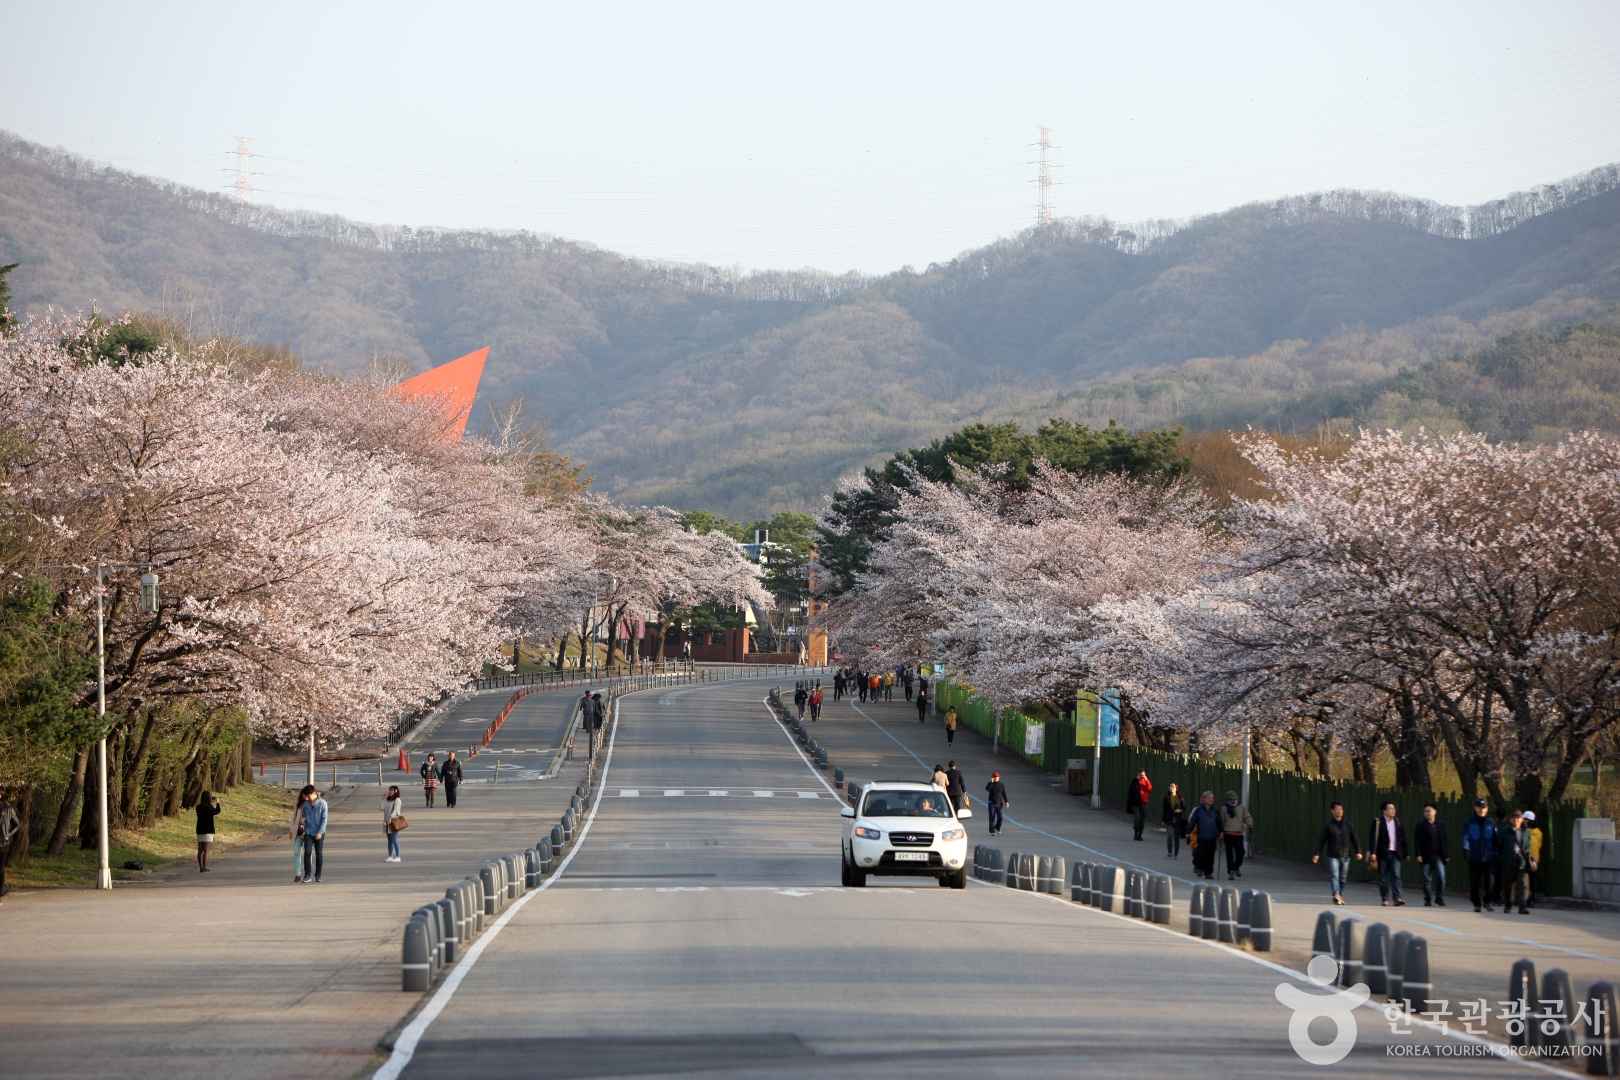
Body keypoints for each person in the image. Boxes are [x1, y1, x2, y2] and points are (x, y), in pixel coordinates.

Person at [1312, 801, 1362, 905]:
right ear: (1332, 811)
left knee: (1343, 878)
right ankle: (1336, 894)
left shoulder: (1348, 824)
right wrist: (1317, 854)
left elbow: (1354, 838)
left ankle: (1339, 894)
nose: (1339, 811)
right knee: (1335, 875)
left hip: (1346, 855)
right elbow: (1321, 840)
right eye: (1337, 809)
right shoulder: (1329, 826)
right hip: (1332, 855)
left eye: (1341, 809)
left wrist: (1358, 851)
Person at [1460, 797, 1498, 912]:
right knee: (1475, 883)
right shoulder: (1469, 822)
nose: (1482, 810)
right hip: (1474, 856)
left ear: (1487, 809)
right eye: (1479, 807)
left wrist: (1496, 852)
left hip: (1488, 857)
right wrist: (1466, 850)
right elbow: (1465, 837)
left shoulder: (1491, 822)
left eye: (1484, 807)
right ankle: (1476, 903)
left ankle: (1488, 902)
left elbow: (1495, 839)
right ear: (1475, 808)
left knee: (1489, 882)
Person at [1367, 800, 1407, 906]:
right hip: (1383, 854)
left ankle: (1397, 898)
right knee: (1383, 877)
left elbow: (1402, 839)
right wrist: (1373, 853)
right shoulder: (1378, 822)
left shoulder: (1398, 822)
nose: (1393, 810)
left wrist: (1405, 853)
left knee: (1396, 876)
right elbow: (1372, 838)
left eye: (1394, 808)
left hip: (1395, 853)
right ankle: (1384, 898)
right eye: (1390, 808)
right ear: (1384, 811)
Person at [1499, 808, 1535, 915]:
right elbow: (1498, 845)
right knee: (1507, 885)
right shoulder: (1504, 832)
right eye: (1514, 818)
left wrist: (1531, 861)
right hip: (1508, 862)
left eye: (1518, 818)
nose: (1516, 820)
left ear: (1522, 819)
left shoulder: (1526, 832)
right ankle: (1507, 905)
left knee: (1522, 885)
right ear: (1510, 819)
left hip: (1521, 862)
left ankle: (1522, 907)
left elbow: (1527, 848)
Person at [1414, 803, 1448, 907]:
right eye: (1425, 811)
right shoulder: (1420, 825)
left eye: (1429, 811)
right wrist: (1418, 854)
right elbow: (1417, 841)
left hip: (1438, 856)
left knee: (1441, 877)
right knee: (1426, 879)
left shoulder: (1441, 824)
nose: (1427, 813)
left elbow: (1445, 840)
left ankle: (1439, 898)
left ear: (1435, 812)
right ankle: (1427, 899)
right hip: (1425, 856)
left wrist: (1446, 855)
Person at [1186, 791, 1221, 880]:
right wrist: (1188, 832)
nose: (1211, 800)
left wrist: (1221, 832)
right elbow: (1193, 821)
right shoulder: (1198, 810)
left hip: (1212, 836)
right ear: (1204, 799)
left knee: (1210, 855)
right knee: (1200, 854)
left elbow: (1219, 822)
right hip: (1201, 836)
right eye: (1209, 798)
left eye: (1212, 798)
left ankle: (1208, 873)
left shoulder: (1215, 810)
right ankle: (1199, 868)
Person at [300, 785, 328, 884]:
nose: (307, 798)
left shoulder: (322, 803)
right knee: (307, 852)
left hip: (319, 832)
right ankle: (307, 875)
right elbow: (303, 817)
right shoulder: (305, 805)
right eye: (305, 797)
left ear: (314, 793)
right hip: (308, 832)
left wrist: (320, 832)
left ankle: (318, 875)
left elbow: (324, 819)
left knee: (319, 853)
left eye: (308, 796)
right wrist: (302, 822)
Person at [194, 790, 222, 873]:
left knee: (200, 850)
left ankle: (201, 867)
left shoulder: (198, 807)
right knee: (205, 850)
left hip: (199, 829)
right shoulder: (209, 807)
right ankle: (204, 867)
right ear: (208, 798)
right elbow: (217, 811)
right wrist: (217, 803)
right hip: (208, 830)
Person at [0, 794, 20, 903]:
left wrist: (8, 834)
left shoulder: (8, 809)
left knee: (1, 867)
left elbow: (17, 824)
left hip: (3, 842)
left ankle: (1, 889)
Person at [1523, 810, 1543, 907]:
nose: (1524, 821)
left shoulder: (1528, 832)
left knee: (1530, 881)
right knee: (1530, 880)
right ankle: (1529, 899)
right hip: (1533, 860)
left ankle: (1530, 899)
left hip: (1530, 859)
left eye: (1525, 819)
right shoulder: (1538, 833)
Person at [1161, 782, 1187, 858]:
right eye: (1170, 787)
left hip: (1178, 819)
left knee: (1176, 837)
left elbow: (1184, 807)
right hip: (1169, 819)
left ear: (1176, 788)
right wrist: (1163, 820)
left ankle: (1176, 853)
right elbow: (1164, 809)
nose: (1172, 788)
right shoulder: (1166, 797)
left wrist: (1180, 810)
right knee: (1169, 835)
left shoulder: (1180, 797)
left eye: (1173, 787)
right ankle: (1169, 851)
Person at [1126, 770, 1153, 842]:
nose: (1142, 776)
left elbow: (1150, 789)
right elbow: (1131, 790)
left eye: (1143, 775)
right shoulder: (1135, 781)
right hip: (1136, 803)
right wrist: (1137, 779)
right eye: (1141, 775)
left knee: (1142, 820)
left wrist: (1146, 779)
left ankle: (1140, 835)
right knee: (1137, 818)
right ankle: (1135, 834)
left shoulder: (1146, 781)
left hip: (1143, 803)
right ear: (1138, 774)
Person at [288, 790, 307, 884]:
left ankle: (308, 873)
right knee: (296, 853)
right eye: (304, 794)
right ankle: (298, 874)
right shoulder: (298, 804)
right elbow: (293, 818)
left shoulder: (313, 804)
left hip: (307, 832)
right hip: (298, 832)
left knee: (308, 854)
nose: (306, 796)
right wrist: (291, 830)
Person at [383, 785, 405, 863]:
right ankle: (390, 856)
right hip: (386, 822)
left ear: (395, 791)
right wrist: (384, 798)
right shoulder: (388, 800)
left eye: (392, 790)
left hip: (393, 822)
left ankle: (398, 856)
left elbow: (396, 811)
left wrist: (390, 818)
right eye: (389, 790)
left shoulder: (397, 800)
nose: (390, 791)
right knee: (389, 840)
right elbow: (381, 808)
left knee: (394, 839)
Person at [985, 771, 1009, 835]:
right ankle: (992, 831)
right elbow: (987, 789)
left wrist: (1006, 801)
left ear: (999, 777)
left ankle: (997, 828)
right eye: (995, 777)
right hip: (991, 803)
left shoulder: (1001, 784)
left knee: (1000, 817)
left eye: (997, 777)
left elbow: (1004, 793)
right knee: (992, 817)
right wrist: (992, 782)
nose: (996, 778)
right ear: (992, 777)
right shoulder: (990, 784)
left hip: (999, 804)